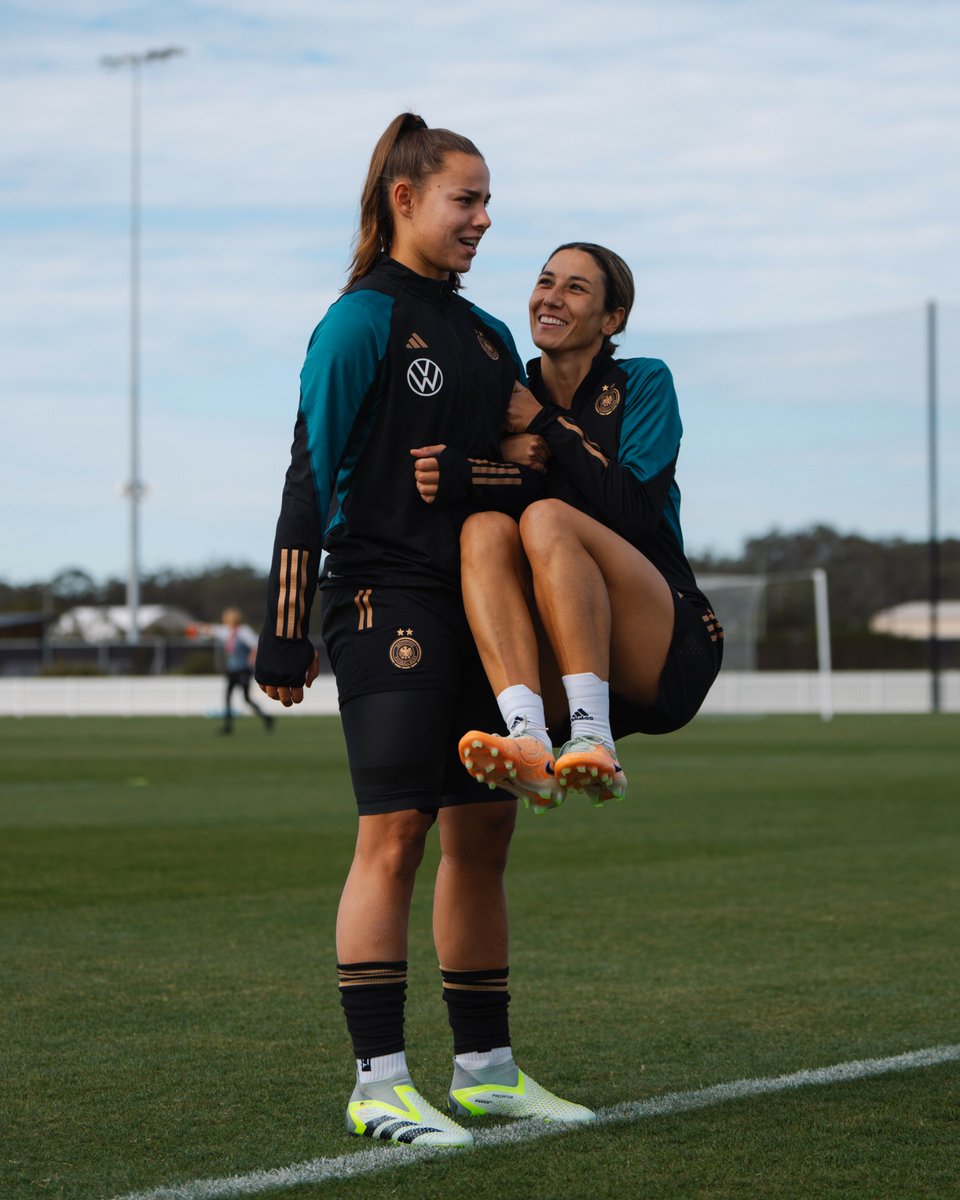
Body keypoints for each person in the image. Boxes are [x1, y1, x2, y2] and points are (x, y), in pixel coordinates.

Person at [254, 115, 595, 1147]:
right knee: (395, 833)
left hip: (482, 609)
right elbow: (309, 468)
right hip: (382, 598)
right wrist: (285, 626)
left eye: (488, 201)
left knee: (483, 836)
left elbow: (527, 463)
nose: (483, 220)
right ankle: (379, 1082)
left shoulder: (487, 336)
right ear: (404, 199)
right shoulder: (360, 320)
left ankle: (486, 1072)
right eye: (466, 199)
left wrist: (492, 468)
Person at [455, 243, 723, 811]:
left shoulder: (644, 381)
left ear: (611, 319)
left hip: (666, 644)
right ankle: (529, 738)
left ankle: (594, 738)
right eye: (545, 281)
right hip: (561, 651)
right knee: (482, 528)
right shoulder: (507, 389)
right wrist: (500, 452)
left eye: (575, 288)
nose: (551, 298)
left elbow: (633, 512)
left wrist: (546, 426)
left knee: (547, 518)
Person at [194, 608, 274, 735]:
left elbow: (255, 645)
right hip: (232, 670)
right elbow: (213, 629)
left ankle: (267, 718)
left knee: (246, 698)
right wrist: (199, 626)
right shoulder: (227, 631)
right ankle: (228, 725)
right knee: (228, 696)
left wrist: (251, 660)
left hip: (243, 669)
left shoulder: (244, 631)